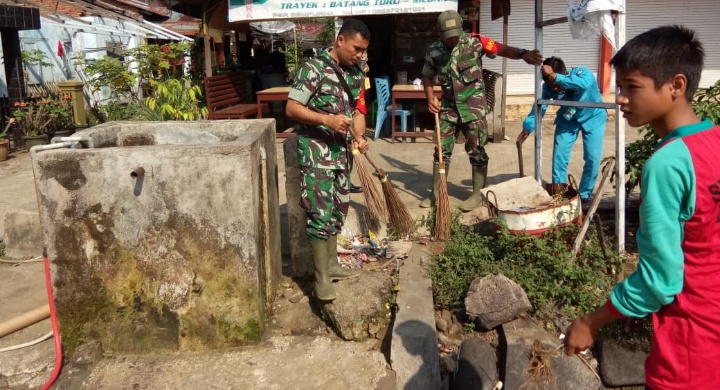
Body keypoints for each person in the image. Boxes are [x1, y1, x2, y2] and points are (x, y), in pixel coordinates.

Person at [564, 25, 720, 388]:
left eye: (632, 87)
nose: (620, 98)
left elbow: (660, 282)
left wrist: (591, 322)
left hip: (689, 351)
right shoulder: (714, 142)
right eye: (619, 87)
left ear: (676, 86)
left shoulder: (668, 164)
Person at [419, 10, 543, 211]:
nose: (452, 39)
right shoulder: (434, 50)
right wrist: (430, 96)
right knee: (441, 151)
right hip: (448, 109)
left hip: (473, 109)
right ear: (439, 33)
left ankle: (477, 194)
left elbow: (501, 49)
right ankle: (436, 193)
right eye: (448, 36)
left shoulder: (477, 42)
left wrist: (523, 54)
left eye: (455, 35)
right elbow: (426, 75)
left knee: (477, 152)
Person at [285, 19, 370, 302]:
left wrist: (359, 135)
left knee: (337, 211)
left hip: (343, 154)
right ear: (341, 40)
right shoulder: (313, 69)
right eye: (356, 48)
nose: (359, 54)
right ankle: (321, 279)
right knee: (319, 214)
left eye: (363, 50)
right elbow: (292, 107)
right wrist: (326, 119)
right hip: (316, 154)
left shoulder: (357, 73)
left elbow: (358, 110)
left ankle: (332, 265)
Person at [516, 57, 608, 203]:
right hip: (568, 119)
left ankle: (585, 194)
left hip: (593, 117)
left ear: (564, 73)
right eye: (550, 85)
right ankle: (559, 192)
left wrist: (556, 77)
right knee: (560, 156)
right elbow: (540, 107)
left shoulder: (582, 73)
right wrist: (528, 127)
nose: (554, 88)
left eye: (557, 85)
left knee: (592, 157)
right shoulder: (548, 87)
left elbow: (583, 84)